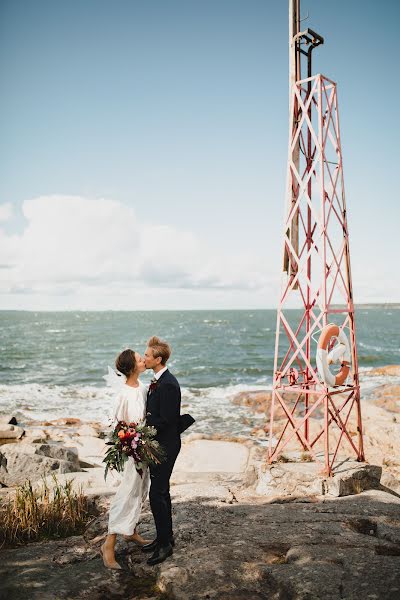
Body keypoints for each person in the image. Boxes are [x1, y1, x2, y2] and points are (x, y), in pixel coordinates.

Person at [100, 349, 150, 570]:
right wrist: (127, 441)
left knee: (140, 489)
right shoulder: (122, 394)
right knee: (127, 491)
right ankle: (108, 545)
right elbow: (114, 423)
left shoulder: (145, 388)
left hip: (145, 446)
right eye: (140, 359)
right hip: (130, 449)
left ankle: (131, 531)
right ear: (132, 367)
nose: (144, 360)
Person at [142, 336, 181, 566]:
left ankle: (165, 545)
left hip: (165, 446)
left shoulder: (167, 384)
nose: (144, 358)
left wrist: (141, 426)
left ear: (158, 359)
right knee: (161, 492)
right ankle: (165, 538)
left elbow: (165, 420)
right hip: (161, 444)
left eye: (147, 355)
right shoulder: (159, 380)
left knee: (156, 494)